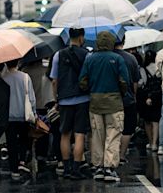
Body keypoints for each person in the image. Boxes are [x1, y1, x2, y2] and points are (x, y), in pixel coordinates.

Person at [79, 32, 129, 182]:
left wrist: (91, 88)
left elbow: (82, 81)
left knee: (97, 135)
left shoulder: (90, 59)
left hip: (95, 103)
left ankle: (99, 167)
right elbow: (124, 81)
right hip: (114, 102)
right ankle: (110, 168)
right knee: (113, 135)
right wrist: (122, 93)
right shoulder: (118, 58)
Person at [50, 27, 90, 179]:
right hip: (83, 99)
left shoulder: (58, 55)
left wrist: (56, 100)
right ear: (81, 37)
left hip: (65, 100)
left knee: (65, 134)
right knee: (80, 134)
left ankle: (66, 168)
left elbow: (54, 80)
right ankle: (76, 169)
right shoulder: (87, 54)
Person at [2, 59, 37, 180]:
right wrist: (34, 112)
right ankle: (22, 161)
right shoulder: (25, 77)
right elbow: (31, 97)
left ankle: (14, 169)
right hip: (23, 115)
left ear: (6, 64)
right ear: (17, 63)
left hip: (9, 116)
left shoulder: (3, 78)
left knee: (11, 143)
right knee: (24, 139)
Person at [113, 36, 140, 164]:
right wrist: (133, 95)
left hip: (111, 99)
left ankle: (111, 155)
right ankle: (122, 156)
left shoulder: (107, 56)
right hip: (128, 99)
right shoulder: (131, 58)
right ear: (124, 42)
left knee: (112, 128)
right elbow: (135, 81)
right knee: (127, 128)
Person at [137, 50, 161, 151]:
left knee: (147, 121)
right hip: (157, 96)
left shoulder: (143, 69)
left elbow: (140, 83)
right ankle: (155, 143)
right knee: (156, 120)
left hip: (145, 97)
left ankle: (150, 142)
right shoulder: (158, 68)